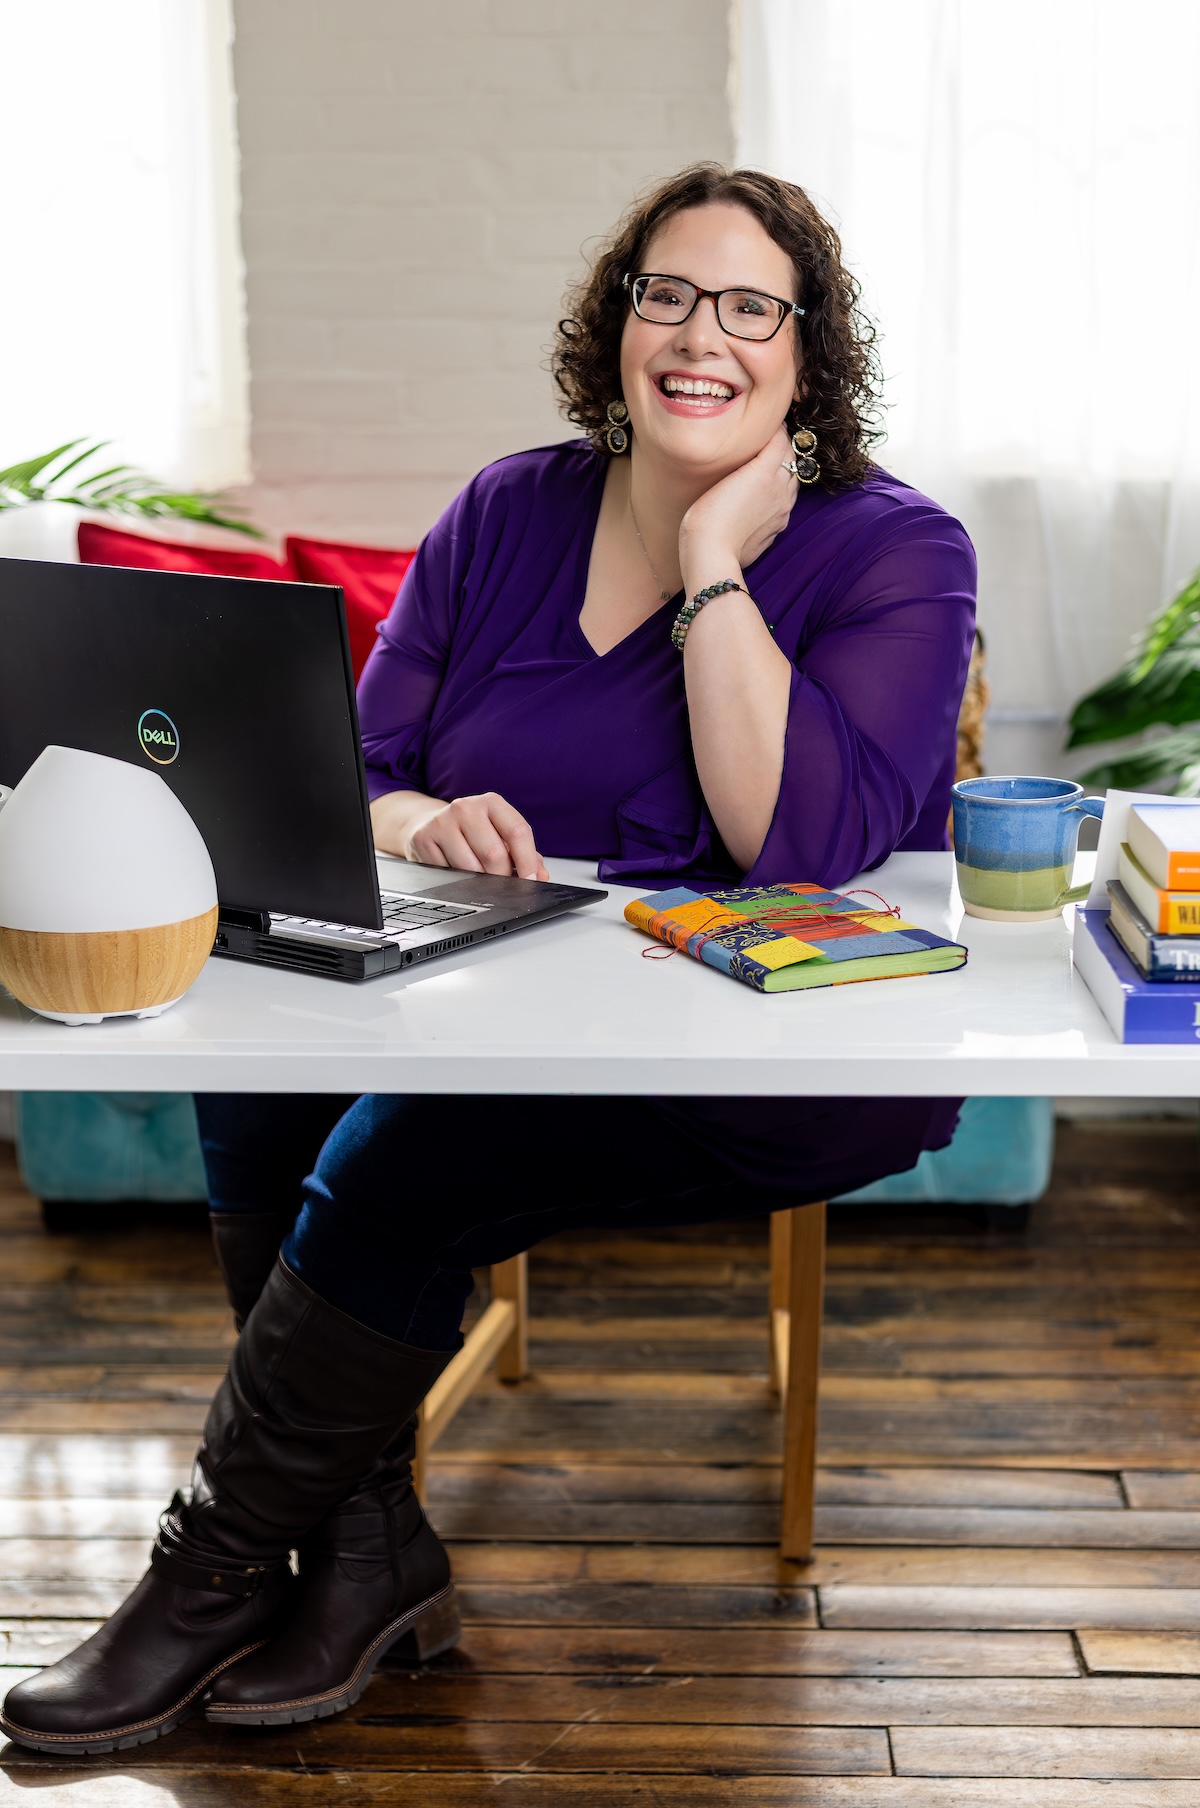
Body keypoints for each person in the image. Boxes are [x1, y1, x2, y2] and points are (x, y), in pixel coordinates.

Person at [1, 163, 976, 1755]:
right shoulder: (509, 510)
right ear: (617, 320)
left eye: (752, 308)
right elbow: (366, 763)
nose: (701, 336)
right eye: (668, 295)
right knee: (261, 1077)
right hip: (504, 1006)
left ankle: (207, 1574)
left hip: (782, 1052)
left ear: (810, 354)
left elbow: (791, 842)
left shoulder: (898, 551)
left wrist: (716, 558)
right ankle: (366, 1556)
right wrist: (424, 818)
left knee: (401, 1154)